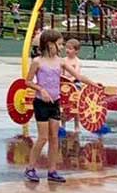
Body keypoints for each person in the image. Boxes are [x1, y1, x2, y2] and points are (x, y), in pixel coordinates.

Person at [24, 29, 98, 183]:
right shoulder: (37, 62)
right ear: (50, 44)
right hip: (41, 104)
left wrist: (93, 83)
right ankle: (30, 168)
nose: (62, 47)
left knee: (54, 138)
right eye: (59, 44)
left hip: (55, 103)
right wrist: (41, 89)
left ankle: (52, 171)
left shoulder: (60, 61)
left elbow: (78, 77)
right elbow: (28, 82)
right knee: (43, 137)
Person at [63, 38, 85, 135]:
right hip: (64, 83)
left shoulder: (77, 61)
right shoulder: (63, 60)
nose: (67, 50)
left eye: (70, 48)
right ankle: (62, 124)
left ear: (76, 51)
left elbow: (76, 73)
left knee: (75, 104)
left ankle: (76, 124)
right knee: (62, 104)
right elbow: (61, 71)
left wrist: (71, 79)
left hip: (74, 83)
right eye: (67, 48)